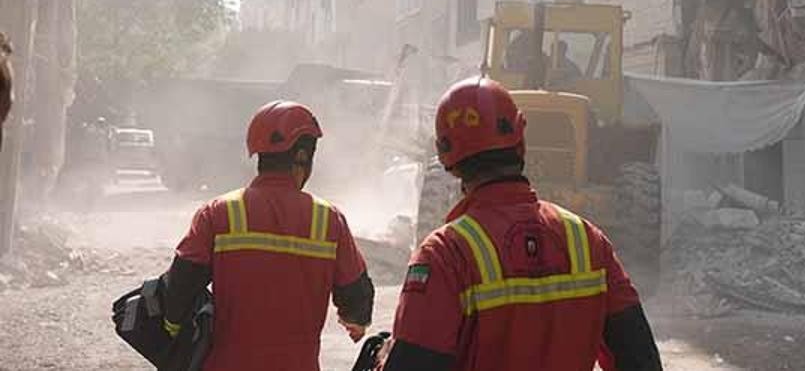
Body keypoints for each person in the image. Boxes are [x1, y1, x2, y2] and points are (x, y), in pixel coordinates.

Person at [379, 77, 662, 371]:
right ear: (521, 142)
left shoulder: (445, 255)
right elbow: (642, 362)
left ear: (447, 160)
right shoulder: (589, 242)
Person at [163, 100, 374, 371]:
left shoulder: (218, 213)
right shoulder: (329, 220)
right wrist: (355, 322)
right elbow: (357, 300)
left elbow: (180, 287)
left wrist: (172, 329)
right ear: (302, 156)